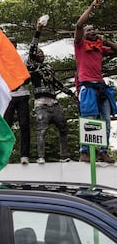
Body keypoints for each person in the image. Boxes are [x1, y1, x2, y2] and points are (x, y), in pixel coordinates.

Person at [74, 0, 117, 163]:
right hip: (87, 87)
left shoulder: (99, 48)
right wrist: (91, 7)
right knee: (89, 118)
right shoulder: (80, 45)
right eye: (89, 30)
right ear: (84, 35)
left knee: (105, 119)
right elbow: (79, 25)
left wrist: (105, 40)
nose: (92, 31)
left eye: (94, 30)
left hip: (101, 87)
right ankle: (85, 151)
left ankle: (102, 151)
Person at [28, 20, 75, 164]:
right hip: (41, 103)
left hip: (54, 102)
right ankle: (41, 157)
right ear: (35, 55)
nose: (42, 54)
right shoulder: (32, 66)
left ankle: (64, 156)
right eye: (39, 52)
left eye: (43, 52)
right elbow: (33, 47)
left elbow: (56, 83)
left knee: (63, 128)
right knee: (42, 130)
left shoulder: (48, 67)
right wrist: (38, 30)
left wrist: (71, 93)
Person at [4, 37, 31, 165]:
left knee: (24, 125)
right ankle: (6, 154)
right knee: (6, 126)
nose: (12, 45)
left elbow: (27, 78)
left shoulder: (22, 59)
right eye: (10, 43)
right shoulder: (1, 59)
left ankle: (24, 155)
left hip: (22, 94)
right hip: (8, 96)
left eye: (14, 43)